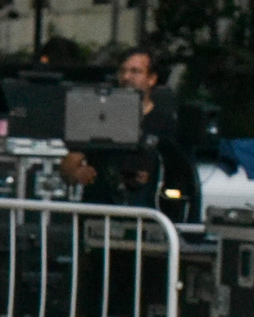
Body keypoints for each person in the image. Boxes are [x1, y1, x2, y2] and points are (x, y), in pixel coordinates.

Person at [61, 48, 179, 207]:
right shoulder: (97, 117)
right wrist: (77, 173)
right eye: (122, 71)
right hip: (98, 213)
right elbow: (69, 163)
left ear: (151, 78)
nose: (126, 77)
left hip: (145, 214)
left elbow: (177, 172)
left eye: (135, 71)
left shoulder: (165, 123)